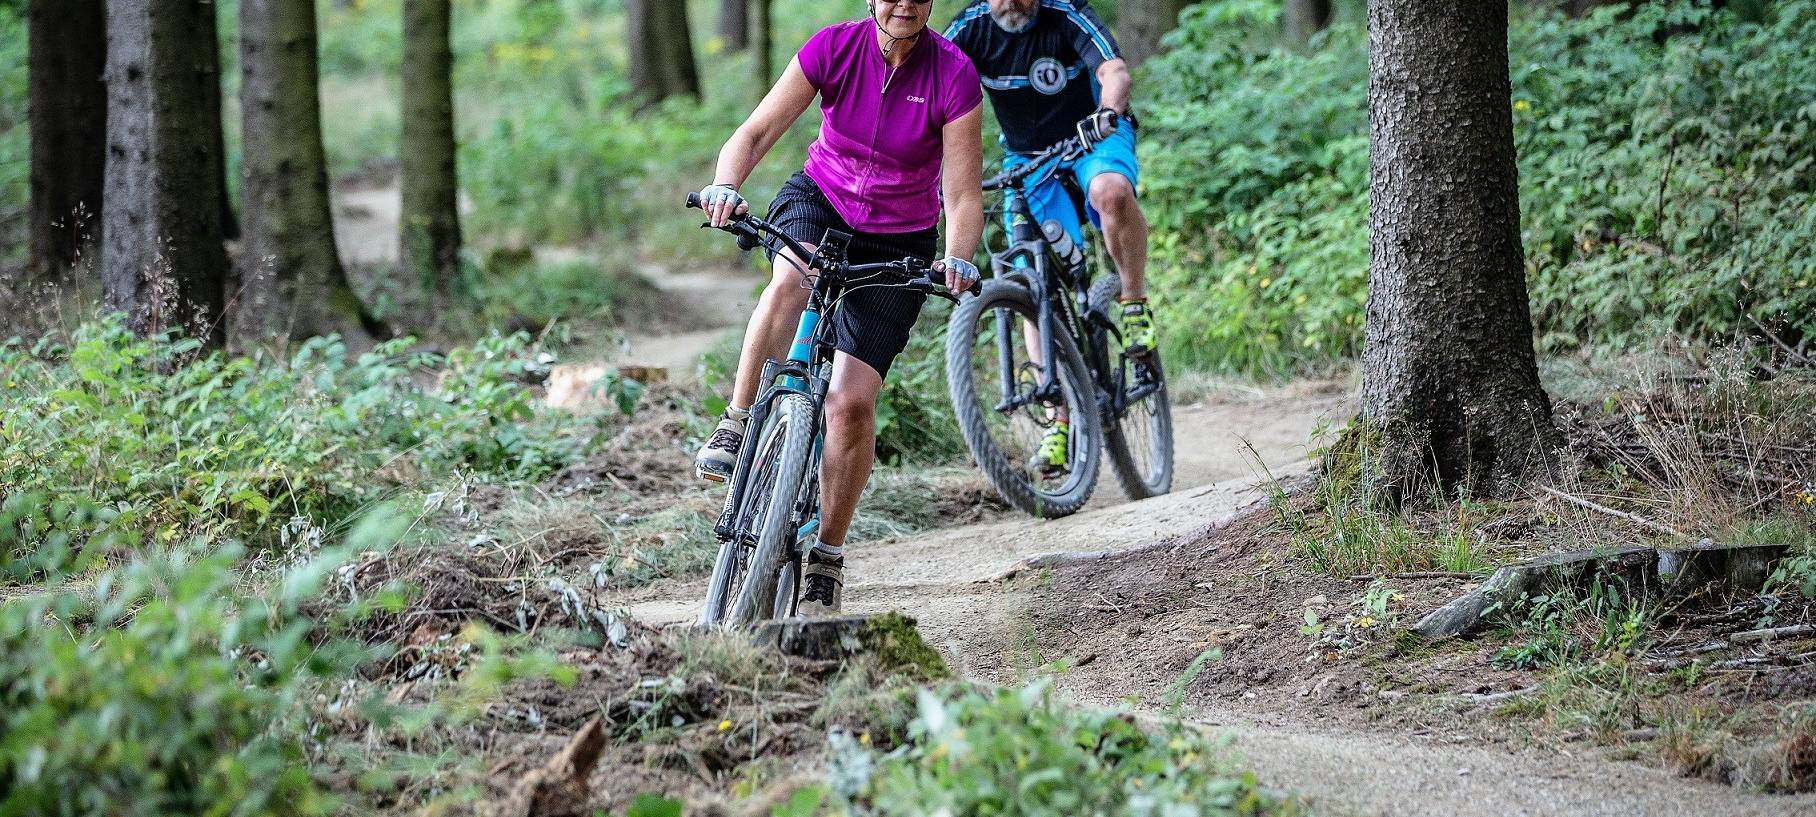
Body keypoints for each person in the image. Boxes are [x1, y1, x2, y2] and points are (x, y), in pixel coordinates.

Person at [692, 0, 985, 616]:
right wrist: (726, 183)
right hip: (820, 201)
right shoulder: (833, 47)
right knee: (791, 279)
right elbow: (755, 133)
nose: (904, 3)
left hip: (901, 238)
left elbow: (960, 194)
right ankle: (740, 419)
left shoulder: (952, 73)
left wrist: (955, 257)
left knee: (850, 403)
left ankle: (825, 551)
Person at [944, 0, 1155, 476]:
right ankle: (1059, 418)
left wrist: (1107, 111)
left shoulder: (1066, 13)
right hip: (1026, 162)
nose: (1012, 2)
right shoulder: (969, 29)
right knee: (1029, 281)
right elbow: (929, 84)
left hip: (1091, 140)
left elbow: (1115, 71)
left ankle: (1135, 302)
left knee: (1110, 191)